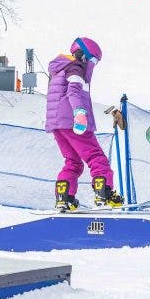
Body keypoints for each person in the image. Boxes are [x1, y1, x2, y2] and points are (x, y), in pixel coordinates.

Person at [46, 37, 124, 211]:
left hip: (57, 124)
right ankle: (104, 194)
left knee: (73, 162)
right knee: (96, 157)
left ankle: (64, 197)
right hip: (73, 122)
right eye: (94, 60)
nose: (93, 65)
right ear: (85, 56)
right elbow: (73, 91)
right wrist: (79, 113)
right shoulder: (76, 67)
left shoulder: (59, 69)